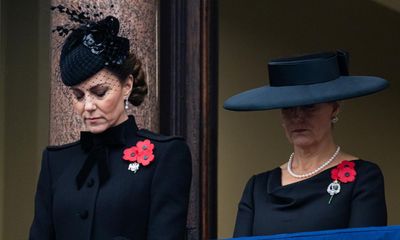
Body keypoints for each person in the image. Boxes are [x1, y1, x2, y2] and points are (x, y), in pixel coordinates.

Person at [29, 14, 192, 240]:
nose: (88, 106)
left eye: (99, 93)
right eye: (78, 96)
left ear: (127, 86)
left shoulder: (166, 156)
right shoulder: (55, 162)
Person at [224, 51, 388, 237]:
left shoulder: (363, 178)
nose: (298, 117)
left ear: (334, 108)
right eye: (288, 107)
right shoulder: (257, 188)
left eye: (310, 106)